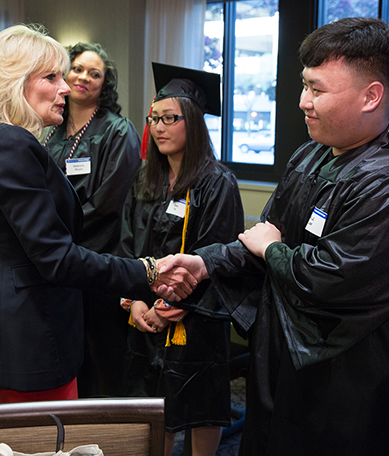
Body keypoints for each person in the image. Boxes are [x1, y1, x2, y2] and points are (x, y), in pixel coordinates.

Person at [159, 17, 389, 455]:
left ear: (372, 96)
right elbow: (259, 238)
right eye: (305, 86)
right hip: (278, 363)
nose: (303, 102)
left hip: (344, 384)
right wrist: (205, 263)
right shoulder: (310, 156)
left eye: (318, 89)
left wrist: (272, 248)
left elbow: (327, 277)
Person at [0, 24, 196, 404]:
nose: (65, 87)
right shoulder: (11, 143)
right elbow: (56, 258)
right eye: (51, 77)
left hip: (19, 329)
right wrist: (148, 271)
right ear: (14, 82)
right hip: (30, 335)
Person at [119, 62, 244, 456]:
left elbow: (217, 256)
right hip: (145, 316)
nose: (158, 127)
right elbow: (126, 246)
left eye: (169, 118)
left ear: (192, 121)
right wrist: (136, 301)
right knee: (152, 405)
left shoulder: (216, 183)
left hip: (196, 318)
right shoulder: (144, 180)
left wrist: (171, 307)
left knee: (200, 403)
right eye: (153, 118)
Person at [43, 42, 141, 397]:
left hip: (99, 258)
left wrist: (53, 234)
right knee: (70, 349)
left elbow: (109, 203)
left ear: (105, 84)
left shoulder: (118, 130)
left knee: (104, 351)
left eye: (94, 73)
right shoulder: (50, 130)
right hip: (58, 258)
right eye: (78, 69)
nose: (83, 77)